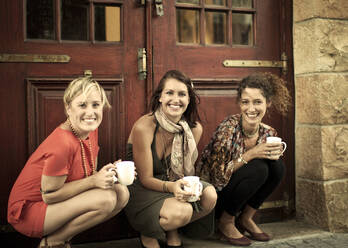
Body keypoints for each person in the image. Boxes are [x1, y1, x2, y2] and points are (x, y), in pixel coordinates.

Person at [7, 77, 130, 248]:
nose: (90, 112)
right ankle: (54, 242)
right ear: (68, 108)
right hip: (29, 211)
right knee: (106, 198)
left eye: (96, 105)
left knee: (122, 193)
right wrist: (95, 181)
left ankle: (59, 239)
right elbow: (49, 195)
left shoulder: (90, 130)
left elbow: (88, 174)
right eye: (82, 105)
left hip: (57, 203)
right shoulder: (62, 143)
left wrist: (109, 173)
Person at [196, 72, 292, 246]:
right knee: (258, 168)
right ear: (239, 103)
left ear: (268, 103)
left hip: (238, 195)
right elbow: (217, 176)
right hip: (213, 196)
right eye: (245, 102)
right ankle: (225, 221)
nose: (251, 109)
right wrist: (252, 153)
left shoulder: (268, 133)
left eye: (257, 102)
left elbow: (270, 172)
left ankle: (245, 218)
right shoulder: (228, 129)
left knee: (278, 166)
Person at [124, 70, 217, 248]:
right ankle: (148, 229)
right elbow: (145, 179)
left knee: (209, 195)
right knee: (181, 212)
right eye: (169, 93)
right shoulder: (144, 126)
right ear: (160, 97)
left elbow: (180, 171)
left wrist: (182, 187)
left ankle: (172, 229)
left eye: (182, 94)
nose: (176, 99)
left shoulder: (194, 130)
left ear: (189, 99)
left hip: (173, 182)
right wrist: (174, 187)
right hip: (143, 187)